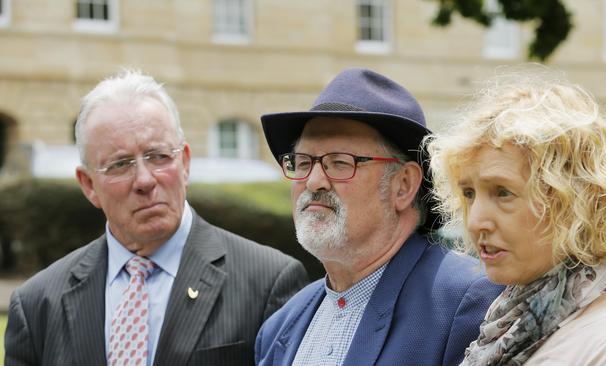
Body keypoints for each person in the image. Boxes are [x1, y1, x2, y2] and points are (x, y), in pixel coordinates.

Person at [5, 70, 309, 366]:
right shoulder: (38, 305)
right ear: (88, 185)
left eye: (159, 156)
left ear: (185, 163)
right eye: (120, 164)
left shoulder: (267, 282)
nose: (144, 180)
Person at [255, 67, 503, 366]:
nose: (313, 181)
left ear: (403, 186)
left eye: (339, 162)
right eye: (302, 162)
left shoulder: (466, 302)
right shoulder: (281, 326)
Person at [427, 67, 606, 365]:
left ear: (573, 203)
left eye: (502, 192)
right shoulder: (508, 320)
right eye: (468, 193)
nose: (476, 220)